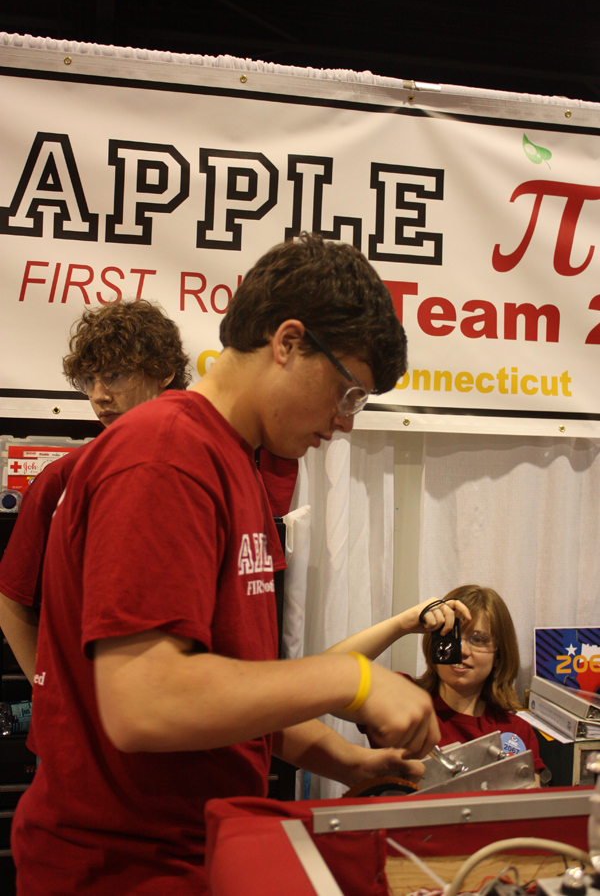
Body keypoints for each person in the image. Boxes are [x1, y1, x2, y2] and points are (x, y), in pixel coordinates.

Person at [11, 233, 440, 895]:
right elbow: (146, 703)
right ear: (288, 342)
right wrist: (348, 679)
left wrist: (346, 759)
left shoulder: (233, 461)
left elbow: (229, 684)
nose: (345, 422)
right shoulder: (164, 455)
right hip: (126, 867)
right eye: (348, 392)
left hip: (194, 846)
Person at [0, 298, 193, 684]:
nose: (99, 395)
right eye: (89, 380)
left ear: (164, 372)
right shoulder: (62, 478)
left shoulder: (211, 467)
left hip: (182, 701)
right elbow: (12, 602)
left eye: (115, 375)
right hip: (85, 712)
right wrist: (51, 689)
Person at [326, 584, 546, 781]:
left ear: (499, 655)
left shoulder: (515, 730)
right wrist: (402, 624)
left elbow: (530, 806)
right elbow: (323, 680)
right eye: (450, 636)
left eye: (478, 639)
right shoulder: (402, 697)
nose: (462, 651)